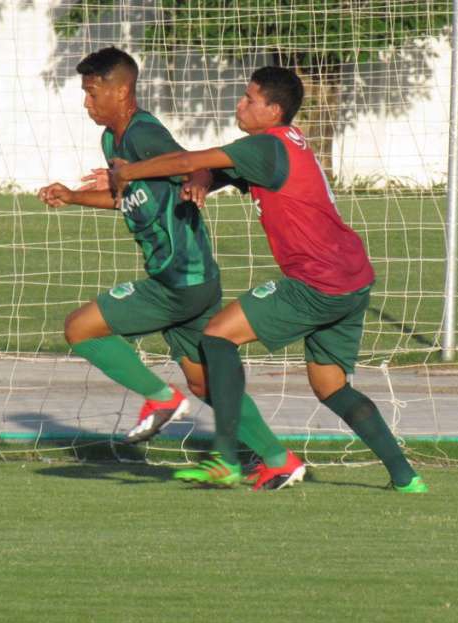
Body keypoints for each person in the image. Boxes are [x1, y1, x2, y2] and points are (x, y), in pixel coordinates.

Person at [100, 65, 427, 493]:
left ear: (273, 110)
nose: (240, 103)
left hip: (316, 283)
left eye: (249, 99)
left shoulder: (264, 148)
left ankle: (224, 459)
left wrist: (128, 172)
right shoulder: (281, 145)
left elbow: (187, 160)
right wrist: (200, 179)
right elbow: (206, 171)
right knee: (331, 386)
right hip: (353, 279)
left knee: (217, 337)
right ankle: (406, 477)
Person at [38, 48, 304, 491]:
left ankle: (161, 398)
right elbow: (128, 195)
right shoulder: (112, 141)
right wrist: (72, 196)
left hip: (178, 279)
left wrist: (198, 181)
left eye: (92, 92)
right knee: (207, 385)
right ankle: (279, 459)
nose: (87, 103)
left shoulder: (144, 134)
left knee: (80, 328)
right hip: (194, 280)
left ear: (121, 90)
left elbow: (190, 164)